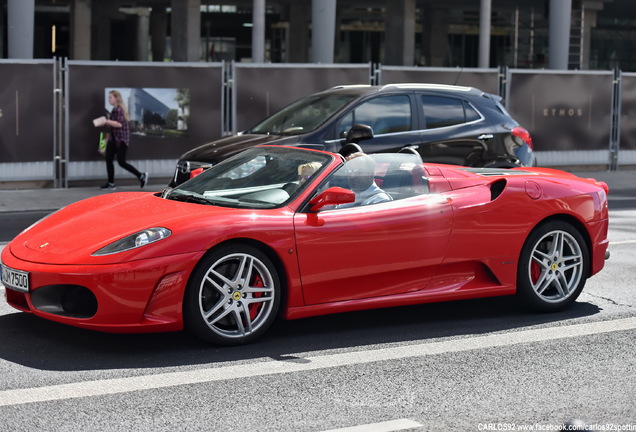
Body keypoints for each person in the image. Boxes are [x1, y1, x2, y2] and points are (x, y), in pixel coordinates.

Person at [99, 90, 148, 190]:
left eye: (110, 97)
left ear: (116, 98)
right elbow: (113, 124)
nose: (109, 99)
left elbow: (119, 124)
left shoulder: (120, 110)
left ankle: (141, 176)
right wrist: (105, 123)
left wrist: (106, 121)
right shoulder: (114, 110)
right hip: (113, 139)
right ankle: (111, 183)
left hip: (121, 140)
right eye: (109, 97)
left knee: (121, 162)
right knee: (108, 159)